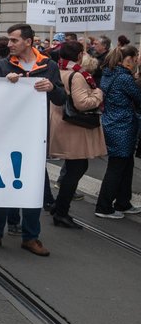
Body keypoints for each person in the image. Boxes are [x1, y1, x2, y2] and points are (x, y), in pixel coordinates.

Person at [0, 24, 65, 257]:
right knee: (1, 180)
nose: (10, 44)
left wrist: (51, 87)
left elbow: (61, 98)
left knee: (32, 184)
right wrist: (4, 85)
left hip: (34, 136)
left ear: (28, 41)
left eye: (15, 40)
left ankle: (31, 236)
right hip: (5, 134)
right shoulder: (1, 66)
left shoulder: (49, 66)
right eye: (9, 40)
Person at [48, 41, 106, 228]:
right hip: (74, 127)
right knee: (76, 168)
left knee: (76, 167)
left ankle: (58, 206)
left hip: (62, 123)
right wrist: (98, 94)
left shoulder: (59, 70)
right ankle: (61, 212)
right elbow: (82, 103)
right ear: (80, 55)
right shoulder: (78, 75)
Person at [94, 45, 141, 219]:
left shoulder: (109, 73)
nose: (136, 61)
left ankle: (123, 202)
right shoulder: (123, 77)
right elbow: (139, 97)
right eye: (135, 57)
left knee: (126, 165)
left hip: (113, 123)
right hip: (123, 126)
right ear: (128, 59)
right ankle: (103, 206)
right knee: (117, 167)